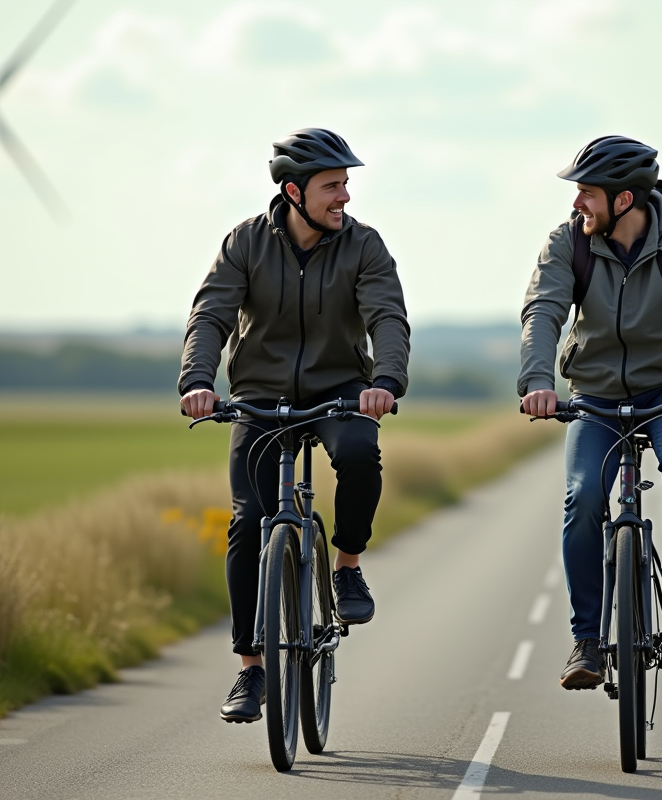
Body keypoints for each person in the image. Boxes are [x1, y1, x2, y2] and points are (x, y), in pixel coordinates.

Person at [179, 128, 411, 721]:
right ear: (293, 191)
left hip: (343, 389)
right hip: (260, 392)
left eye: (346, 185)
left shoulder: (365, 246)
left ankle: (349, 567)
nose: (345, 198)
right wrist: (198, 382)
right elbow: (211, 315)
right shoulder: (245, 243)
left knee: (359, 456)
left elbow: (387, 316)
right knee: (249, 520)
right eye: (332, 187)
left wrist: (384, 383)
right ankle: (250, 670)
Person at [519, 135, 662, 690]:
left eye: (587, 193)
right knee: (583, 494)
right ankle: (587, 639)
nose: (576, 204)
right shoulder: (569, 243)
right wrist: (538, 381)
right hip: (593, 393)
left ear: (624, 200)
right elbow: (543, 310)